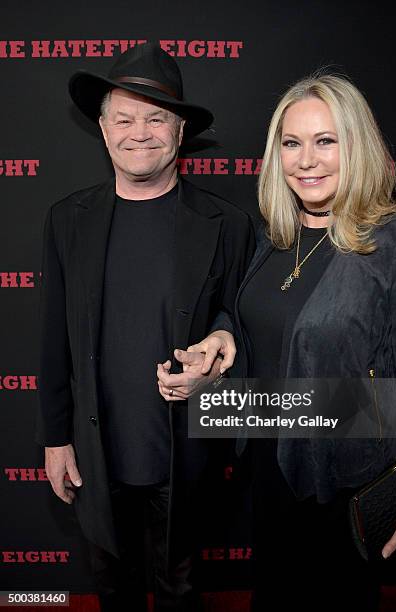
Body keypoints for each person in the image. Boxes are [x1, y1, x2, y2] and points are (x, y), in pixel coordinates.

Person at [162, 73, 396, 610]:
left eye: (326, 141)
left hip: (341, 488)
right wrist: (220, 337)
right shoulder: (278, 234)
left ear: (357, 146)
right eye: (292, 143)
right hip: (269, 471)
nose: (306, 160)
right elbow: (258, 318)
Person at [35, 42, 254, 612]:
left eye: (156, 117)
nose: (140, 132)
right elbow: (54, 338)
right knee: (114, 591)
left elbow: (243, 324)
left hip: (184, 454)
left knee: (182, 591)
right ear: (103, 130)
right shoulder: (67, 220)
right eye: (124, 118)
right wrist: (56, 438)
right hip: (97, 450)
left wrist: (217, 361)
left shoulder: (227, 224)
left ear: (180, 132)